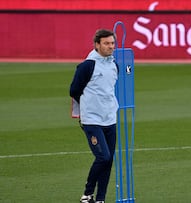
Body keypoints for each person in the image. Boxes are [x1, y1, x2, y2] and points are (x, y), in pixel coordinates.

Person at [70, 29, 119, 203]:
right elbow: (74, 90)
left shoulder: (114, 65)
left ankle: (100, 199)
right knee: (103, 157)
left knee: (108, 160)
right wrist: (88, 108)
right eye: (106, 43)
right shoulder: (87, 65)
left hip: (110, 119)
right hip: (92, 120)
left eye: (112, 43)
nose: (110, 46)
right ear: (97, 45)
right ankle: (87, 193)